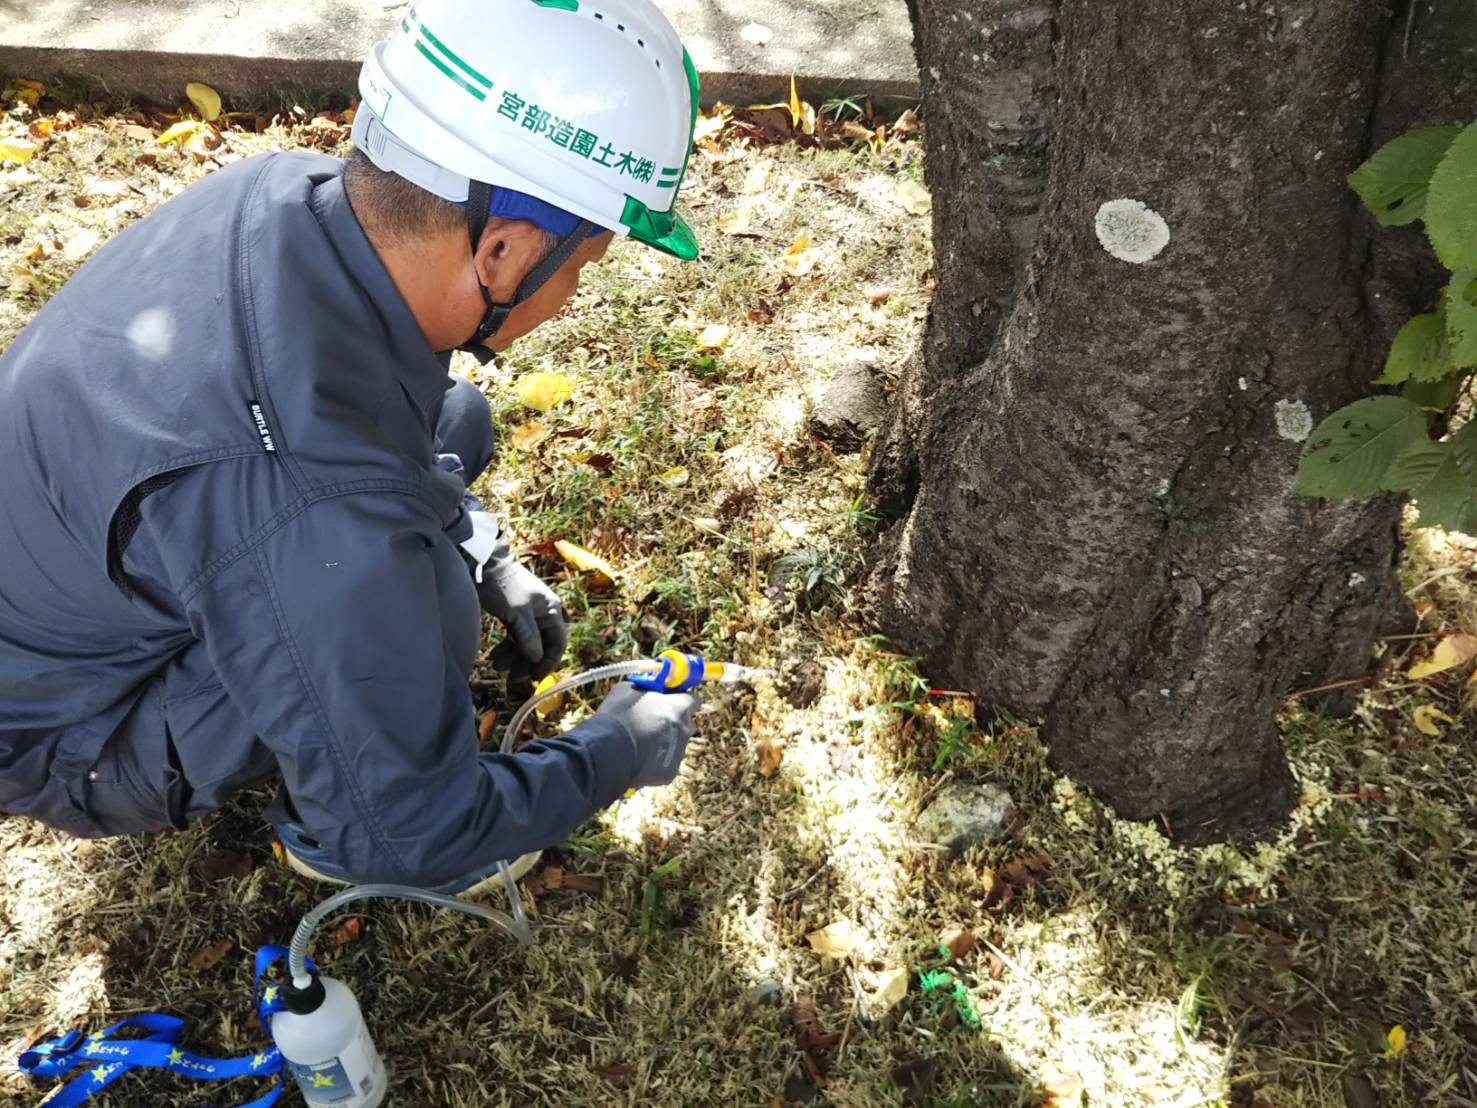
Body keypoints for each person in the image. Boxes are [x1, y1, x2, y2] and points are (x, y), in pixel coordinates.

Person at [0, 0, 704, 892]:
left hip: (81, 586)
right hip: (62, 737)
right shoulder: (315, 496)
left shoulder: (281, 191)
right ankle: (318, 838)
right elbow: (412, 834)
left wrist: (480, 543)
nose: (571, 293)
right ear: (505, 250)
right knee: (419, 599)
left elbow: (339, 457)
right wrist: (614, 752)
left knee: (456, 424)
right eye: (580, 266)